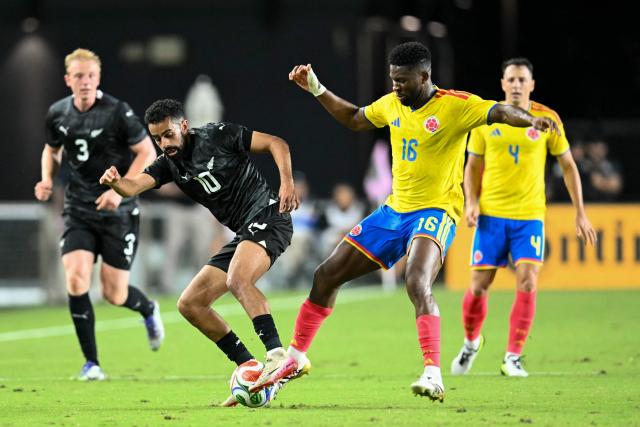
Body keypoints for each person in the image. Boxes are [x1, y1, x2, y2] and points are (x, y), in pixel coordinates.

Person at [250, 41, 561, 402]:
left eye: (402, 80)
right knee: (326, 275)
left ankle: (433, 374)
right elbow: (354, 118)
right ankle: (297, 357)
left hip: (436, 211)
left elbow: (503, 112)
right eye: (392, 79)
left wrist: (531, 120)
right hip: (394, 212)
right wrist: (316, 88)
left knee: (416, 279)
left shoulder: (455, 106)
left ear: (424, 76)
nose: (395, 86)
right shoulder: (391, 104)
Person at [98, 99, 299, 406]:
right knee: (190, 303)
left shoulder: (219, 135)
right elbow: (133, 187)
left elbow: (276, 143)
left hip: (270, 215)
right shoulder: (169, 165)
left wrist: (286, 182)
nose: (164, 143)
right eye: (156, 138)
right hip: (244, 231)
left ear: (184, 126)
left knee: (238, 280)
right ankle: (248, 366)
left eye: (168, 134)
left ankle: (277, 356)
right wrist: (117, 183)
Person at [450, 58, 597, 378]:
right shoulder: (486, 120)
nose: (516, 85)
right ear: (503, 83)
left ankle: (512, 357)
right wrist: (472, 202)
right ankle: (471, 342)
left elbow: (569, 165)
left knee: (528, 280)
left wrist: (580, 213)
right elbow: (472, 165)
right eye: (511, 80)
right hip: (491, 217)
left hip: (530, 217)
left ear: (532, 85)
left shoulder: (547, 119)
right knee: (478, 287)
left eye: (522, 80)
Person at [33, 48, 163, 381]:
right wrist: (47, 179)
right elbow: (51, 151)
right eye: (78, 76)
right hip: (79, 209)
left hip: (119, 212)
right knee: (75, 278)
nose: (85, 81)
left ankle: (147, 308)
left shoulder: (117, 112)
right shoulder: (58, 113)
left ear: (98, 78)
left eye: (90, 75)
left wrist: (119, 191)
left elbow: (147, 152)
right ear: (68, 80)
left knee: (114, 293)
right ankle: (92, 363)